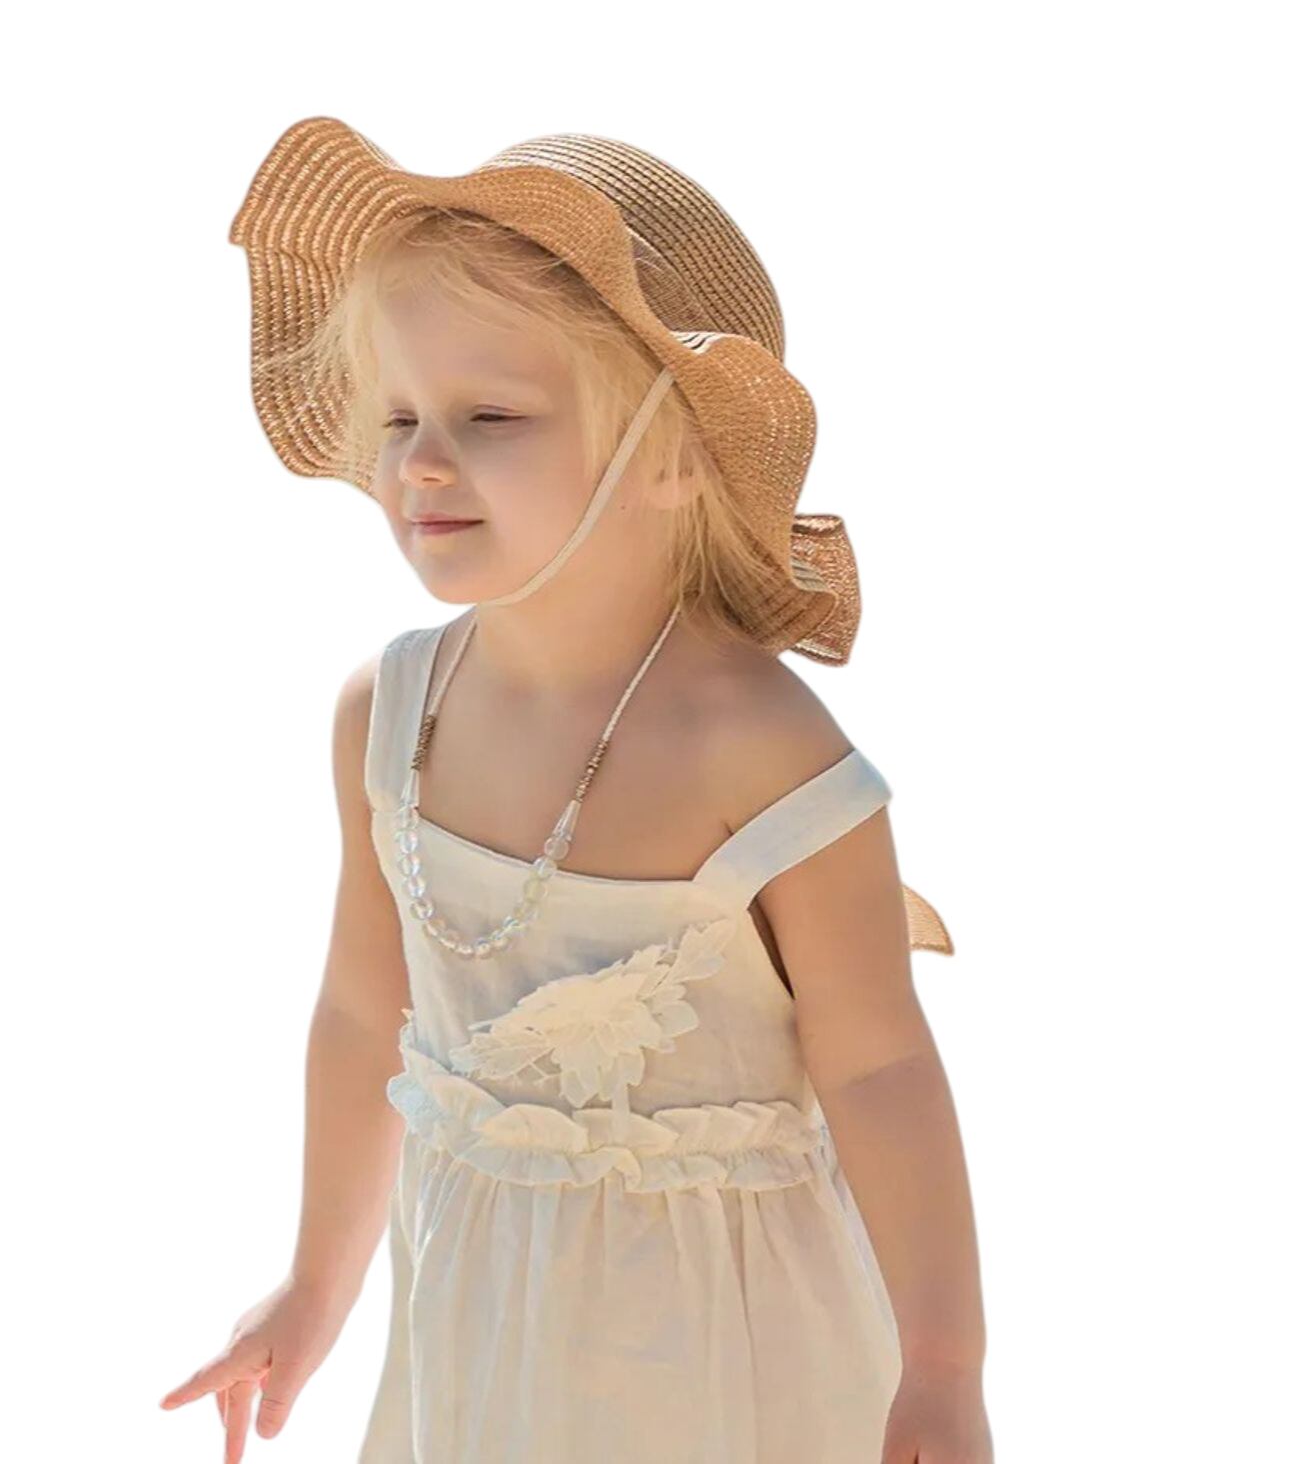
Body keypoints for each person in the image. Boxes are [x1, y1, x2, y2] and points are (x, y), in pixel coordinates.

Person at [160, 116, 993, 1464]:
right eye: (399, 418)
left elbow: (881, 1064)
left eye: (489, 418)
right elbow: (364, 1014)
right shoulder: (395, 718)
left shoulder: (760, 752)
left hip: (725, 1356)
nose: (422, 461)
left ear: (672, 451)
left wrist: (945, 1364)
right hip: (484, 1324)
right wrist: (317, 1287)